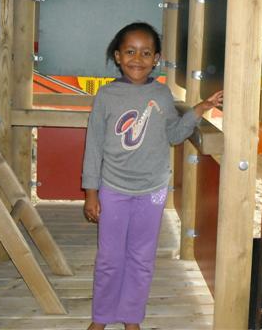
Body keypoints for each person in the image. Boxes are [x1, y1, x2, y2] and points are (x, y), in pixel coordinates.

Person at [82, 22, 223, 330]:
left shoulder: (161, 94)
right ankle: (101, 318)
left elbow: (173, 135)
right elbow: (93, 146)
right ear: (118, 56)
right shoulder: (106, 95)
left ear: (156, 58)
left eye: (146, 53)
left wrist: (199, 109)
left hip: (153, 191)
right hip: (113, 189)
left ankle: (132, 318)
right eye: (130, 52)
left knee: (141, 258)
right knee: (109, 258)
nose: (138, 59)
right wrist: (91, 192)